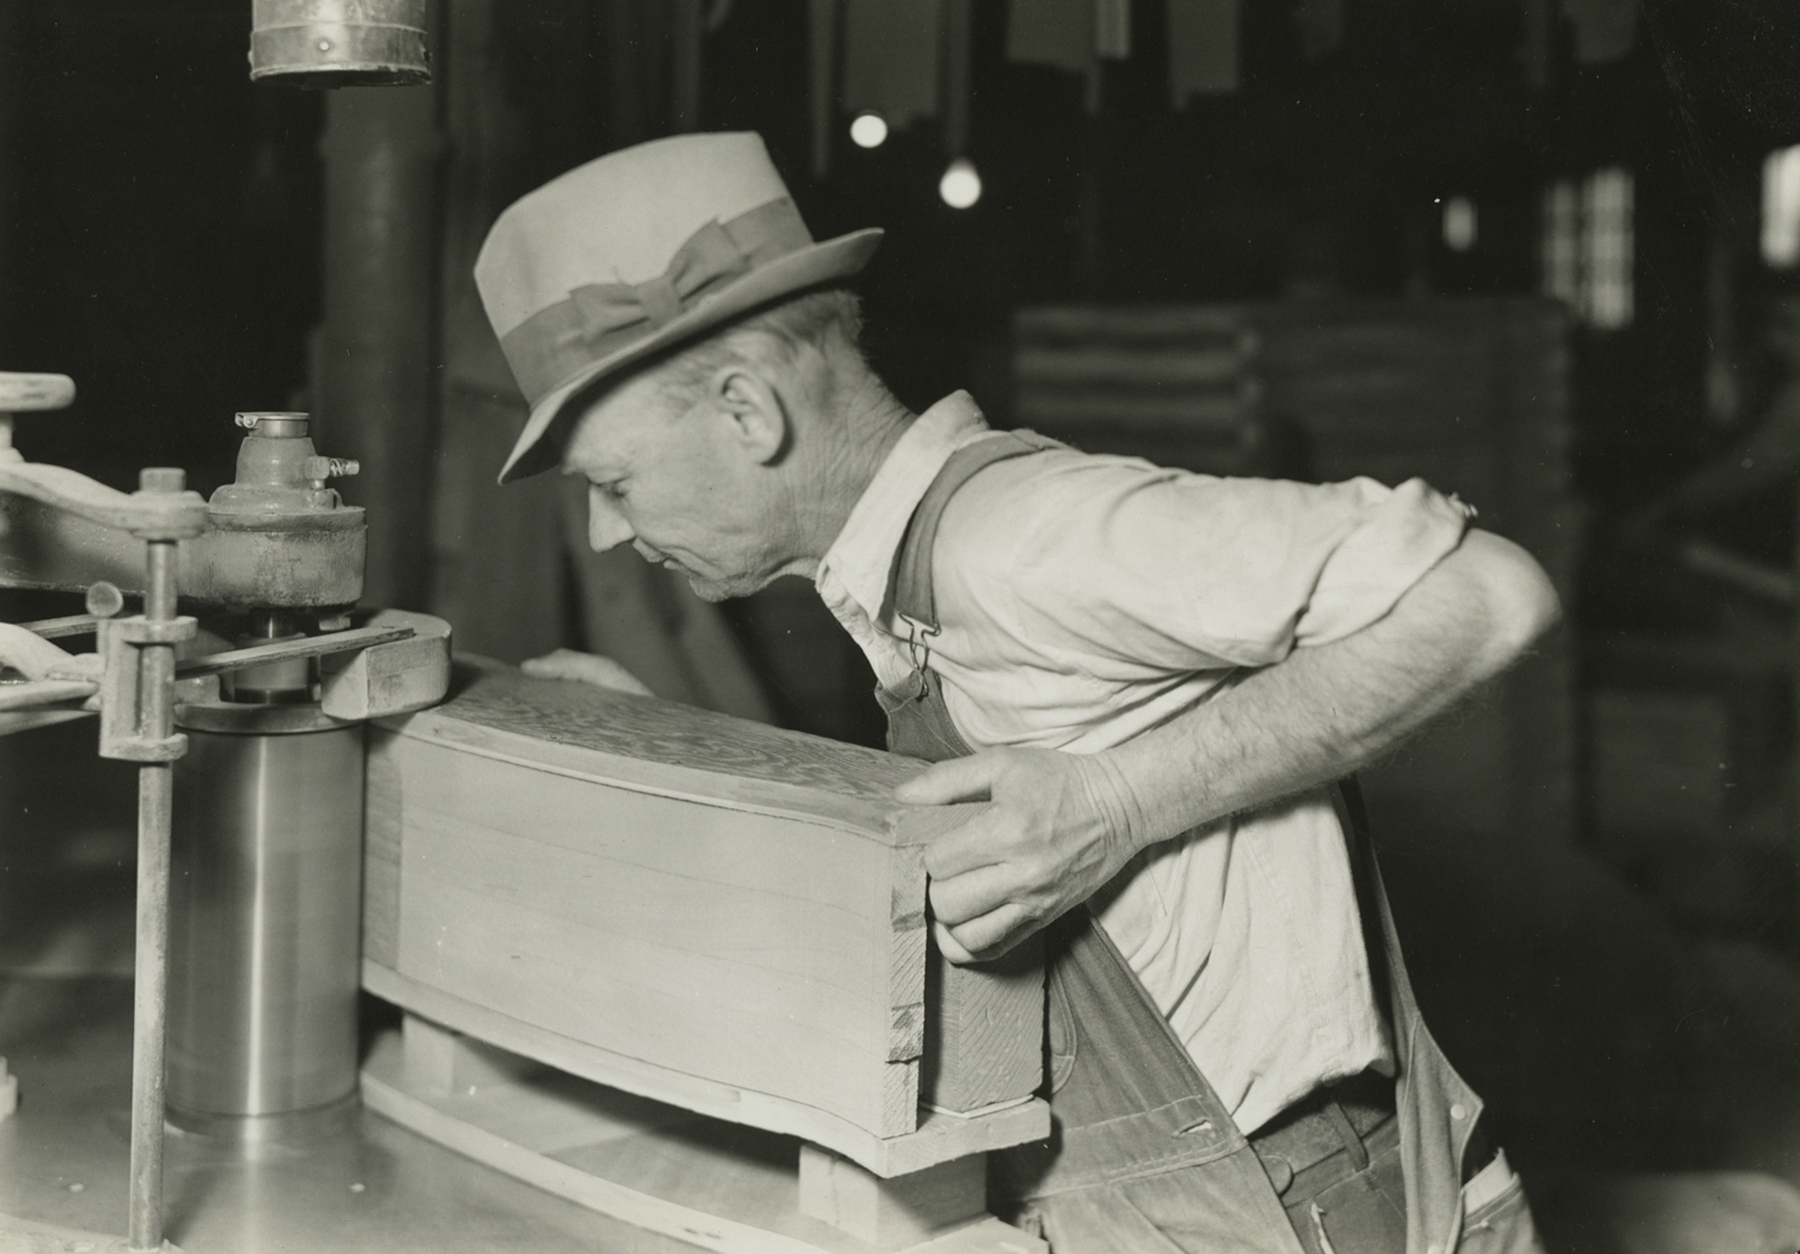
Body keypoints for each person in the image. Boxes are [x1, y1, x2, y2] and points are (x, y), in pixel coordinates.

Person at [474, 132, 1557, 1254]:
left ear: (749, 411)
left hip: (1311, 1209)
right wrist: (670, 748)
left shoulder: (1016, 539)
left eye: (614, 481)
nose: (605, 532)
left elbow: (1489, 596)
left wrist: (1119, 804)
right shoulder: (900, 581)